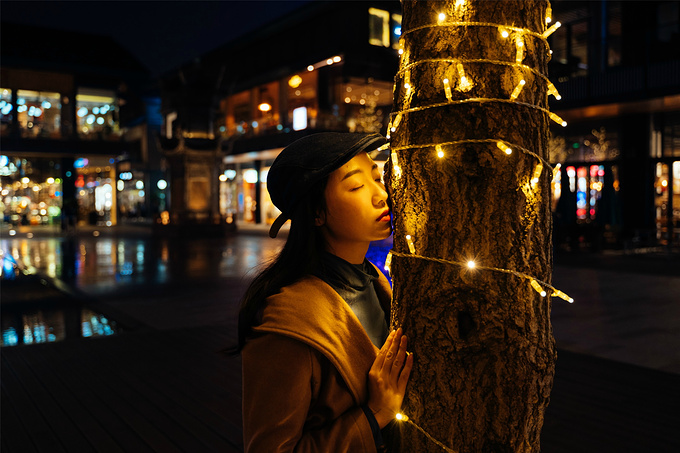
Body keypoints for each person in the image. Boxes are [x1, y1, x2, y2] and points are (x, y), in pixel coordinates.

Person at [233, 132, 414, 452]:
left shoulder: (377, 282)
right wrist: (375, 415)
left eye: (377, 178)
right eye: (357, 186)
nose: (380, 195)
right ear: (316, 212)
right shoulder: (286, 325)